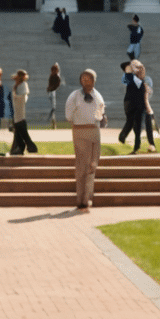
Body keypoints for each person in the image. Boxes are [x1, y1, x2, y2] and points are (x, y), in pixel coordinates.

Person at [64, 68, 106, 212]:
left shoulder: (98, 95)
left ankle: (88, 198)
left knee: (92, 165)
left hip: (94, 131)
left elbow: (101, 111)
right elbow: (68, 114)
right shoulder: (75, 96)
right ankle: (80, 200)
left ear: (94, 80)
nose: (86, 81)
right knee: (82, 166)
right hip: (80, 131)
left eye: (89, 78)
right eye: (83, 78)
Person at [118, 60, 150, 153]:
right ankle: (123, 137)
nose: (139, 69)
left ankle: (135, 147)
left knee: (137, 127)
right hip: (130, 104)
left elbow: (143, 93)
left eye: (140, 68)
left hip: (139, 106)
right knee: (131, 122)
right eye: (137, 67)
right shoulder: (130, 77)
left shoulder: (140, 80)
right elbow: (123, 65)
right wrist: (130, 67)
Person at [8, 70, 36, 155]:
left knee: (21, 131)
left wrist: (15, 96)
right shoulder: (16, 86)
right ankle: (18, 148)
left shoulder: (24, 85)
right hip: (15, 111)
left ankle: (27, 147)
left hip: (20, 112)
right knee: (18, 132)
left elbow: (23, 97)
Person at [46, 63, 63, 129]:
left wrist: (50, 89)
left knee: (53, 108)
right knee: (52, 108)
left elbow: (56, 86)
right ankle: (53, 122)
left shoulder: (56, 77)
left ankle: (54, 123)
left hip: (54, 93)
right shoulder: (52, 76)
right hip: (51, 93)